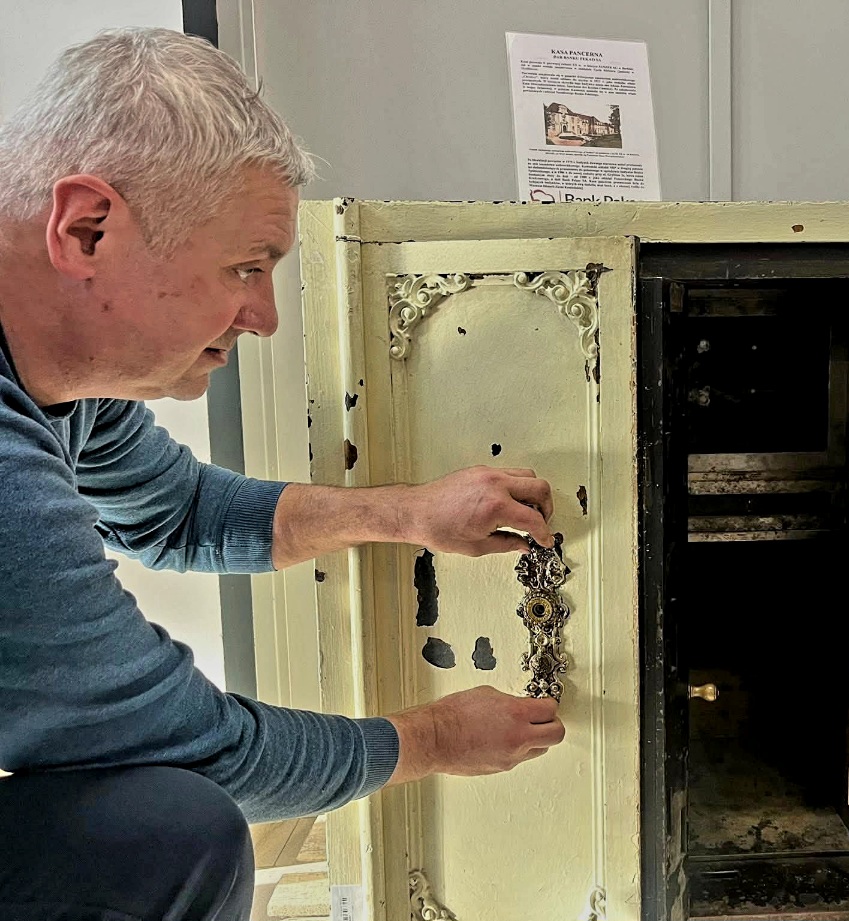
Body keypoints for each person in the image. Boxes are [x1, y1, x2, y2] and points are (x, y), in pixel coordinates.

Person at [0, 26, 566, 921]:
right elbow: (199, 750)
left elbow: (178, 513)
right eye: (245, 268)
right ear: (86, 228)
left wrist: (410, 514)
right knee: (170, 835)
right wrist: (432, 738)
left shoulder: (62, 378)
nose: (263, 316)